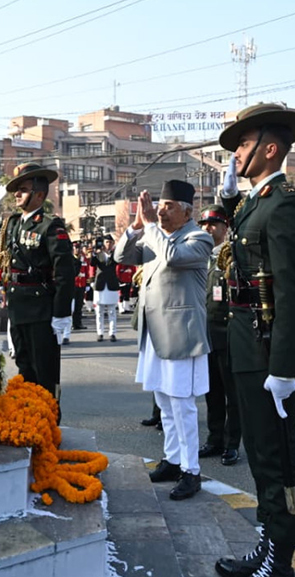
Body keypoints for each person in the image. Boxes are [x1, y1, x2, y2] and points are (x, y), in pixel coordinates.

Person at [213, 103, 295, 577]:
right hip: (244, 342)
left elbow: (292, 291)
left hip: (268, 348)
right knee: (258, 454)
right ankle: (268, 542)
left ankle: (281, 566)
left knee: (277, 459)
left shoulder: (285, 204)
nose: (234, 154)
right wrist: (231, 199)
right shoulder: (256, 201)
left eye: (243, 145)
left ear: (269, 149)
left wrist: (284, 367)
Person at [114, 180, 212, 502]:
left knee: (182, 404)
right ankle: (172, 460)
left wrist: (152, 226)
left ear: (187, 211)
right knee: (165, 404)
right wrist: (135, 227)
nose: (161, 210)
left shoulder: (199, 238)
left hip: (181, 335)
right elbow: (122, 257)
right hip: (155, 333)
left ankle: (192, 471)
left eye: (169, 206)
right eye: (160, 204)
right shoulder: (156, 235)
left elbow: (171, 258)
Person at [0, 162, 74, 406]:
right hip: (18, 307)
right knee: (24, 368)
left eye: (22, 189)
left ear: (39, 194)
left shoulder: (50, 226)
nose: (17, 194)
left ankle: (50, 421)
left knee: (44, 372)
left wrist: (62, 313)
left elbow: (64, 273)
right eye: (16, 190)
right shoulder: (12, 224)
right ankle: (29, 419)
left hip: (41, 310)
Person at [197, 204, 241, 466]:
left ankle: (232, 443)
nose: (208, 229)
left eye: (214, 224)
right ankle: (215, 439)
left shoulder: (234, 255)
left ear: (226, 227)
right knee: (211, 392)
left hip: (228, 332)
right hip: (205, 334)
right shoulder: (199, 256)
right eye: (204, 224)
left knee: (232, 394)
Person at [91, 235, 120, 342]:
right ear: (103, 243)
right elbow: (92, 263)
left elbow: (119, 260)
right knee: (99, 311)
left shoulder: (116, 254)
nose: (108, 244)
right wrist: (94, 252)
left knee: (112, 311)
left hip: (111, 284)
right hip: (100, 284)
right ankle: (100, 333)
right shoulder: (98, 254)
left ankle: (112, 333)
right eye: (107, 242)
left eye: (110, 242)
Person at [71, 242, 88, 332]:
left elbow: (86, 270)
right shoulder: (70, 259)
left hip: (82, 284)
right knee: (72, 307)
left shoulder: (83, 258)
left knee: (79, 305)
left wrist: (88, 282)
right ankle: (71, 323)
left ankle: (78, 323)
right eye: (75, 248)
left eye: (78, 248)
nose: (77, 250)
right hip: (74, 284)